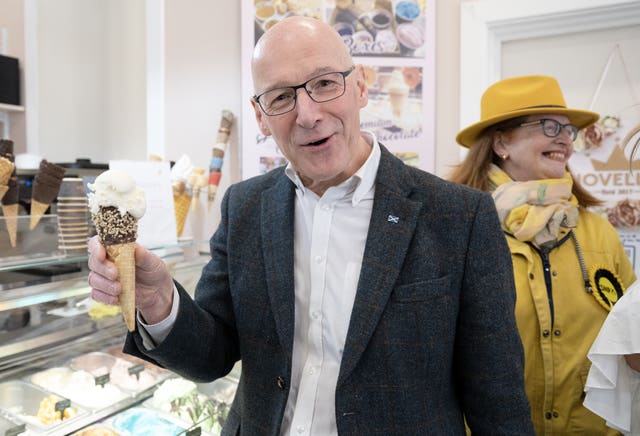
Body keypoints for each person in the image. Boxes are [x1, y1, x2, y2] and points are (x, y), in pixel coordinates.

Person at [88, 16, 533, 435]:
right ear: (260, 115)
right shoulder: (245, 206)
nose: (307, 114)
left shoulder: (459, 217)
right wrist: (159, 300)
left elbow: (498, 399)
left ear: (360, 87)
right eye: (281, 97)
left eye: (324, 83)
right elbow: (212, 355)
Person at [449, 74, 637, 435]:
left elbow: (630, 341)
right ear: (501, 141)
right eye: (550, 126)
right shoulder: (457, 230)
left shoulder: (599, 233)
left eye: (569, 131)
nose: (565, 140)